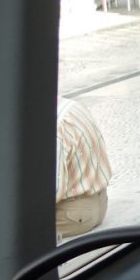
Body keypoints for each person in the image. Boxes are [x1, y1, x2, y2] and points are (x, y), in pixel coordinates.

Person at [55, 96, 111, 240]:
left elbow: (52, 190)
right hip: (100, 202)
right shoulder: (73, 107)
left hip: (72, 216)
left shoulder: (56, 126)